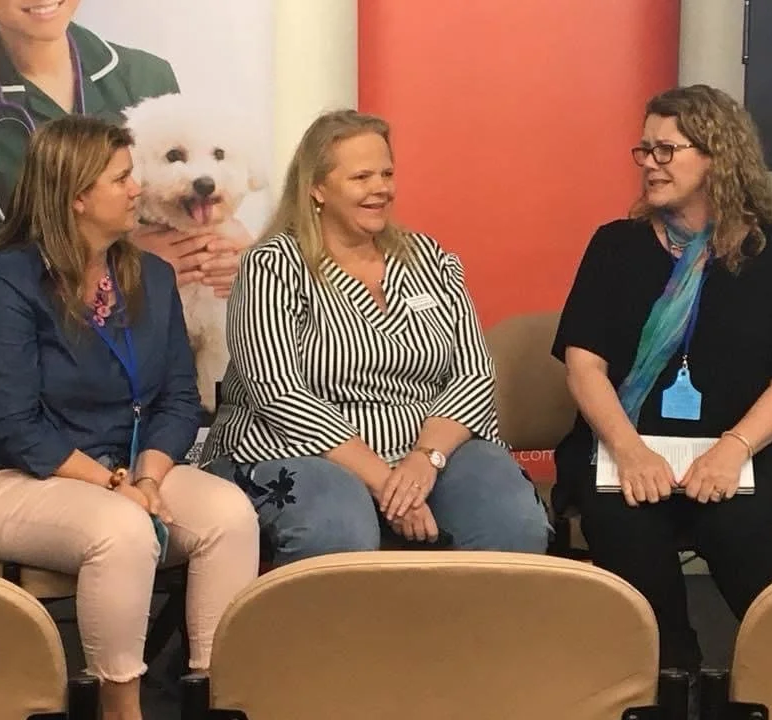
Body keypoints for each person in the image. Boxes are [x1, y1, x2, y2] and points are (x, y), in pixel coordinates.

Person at [0, 115, 259, 720]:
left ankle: (213, 695)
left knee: (230, 516)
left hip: (125, 473)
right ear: (77, 196)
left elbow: (177, 401)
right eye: (122, 178)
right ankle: (121, 707)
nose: (137, 189)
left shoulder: (152, 277)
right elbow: (12, 423)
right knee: (124, 530)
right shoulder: (7, 279)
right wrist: (117, 487)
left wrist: (147, 478)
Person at [552, 85, 772, 672]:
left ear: (716, 156)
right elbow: (584, 366)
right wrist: (629, 451)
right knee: (624, 522)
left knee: (742, 524)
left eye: (666, 150)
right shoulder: (615, 246)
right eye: (644, 150)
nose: (650, 163)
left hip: (747, 453)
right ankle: (670, 680)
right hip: (626, 450)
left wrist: (732, 451)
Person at [201, 109, 550, 566]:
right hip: (301, 450)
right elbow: (279, 393)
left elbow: (473, 375)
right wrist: (387, 482)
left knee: (511, 520)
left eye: (387, 173)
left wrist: (424, 461)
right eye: (361, 176)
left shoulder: (431, 259)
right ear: (317, 188)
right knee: (336, 526)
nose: (380, 188)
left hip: (427, 452)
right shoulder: (273, 265)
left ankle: (474, 638)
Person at [0, 0, 248, 323]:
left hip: (164, 340)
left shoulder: (146, 77)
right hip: (45, 355)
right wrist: (119, 271)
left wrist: (233, 256)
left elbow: (191, 208)